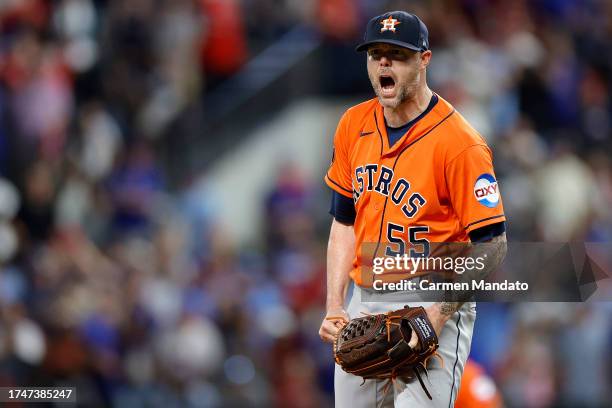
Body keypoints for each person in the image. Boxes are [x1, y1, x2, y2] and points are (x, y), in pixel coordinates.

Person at [318, 11, 507, 408]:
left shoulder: (460, 144)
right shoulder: (353, 125)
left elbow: (493, 245)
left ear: (424, 60)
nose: (383, 63)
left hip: (435, 295)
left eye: (397, 55)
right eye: (376, 54)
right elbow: (343, 222)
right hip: (365, 297)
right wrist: (335, 303)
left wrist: (439, 313)